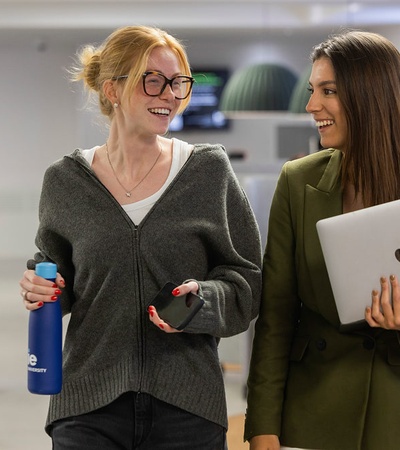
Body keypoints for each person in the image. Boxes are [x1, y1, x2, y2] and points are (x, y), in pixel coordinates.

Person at [19, 25, 262, 450]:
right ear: (112, 90)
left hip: (187, 404)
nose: (169, 94)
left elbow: (246, 279)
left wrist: (201, 301)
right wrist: (41, 286)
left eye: (178, 82)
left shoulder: (208, 172)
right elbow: (57, 275)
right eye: (153, 80)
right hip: (88, 406)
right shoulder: (66, 181)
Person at [244, 30, 400, 450]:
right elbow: (275, 316)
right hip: (312, 412)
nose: (312, 106)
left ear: (371, 95)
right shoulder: (298, 181)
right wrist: (262, 430)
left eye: (327, 91)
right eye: (313, 90)